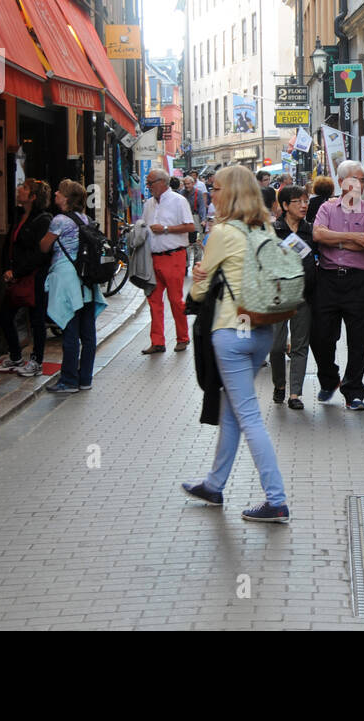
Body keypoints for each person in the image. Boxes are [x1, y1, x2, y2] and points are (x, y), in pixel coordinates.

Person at [183, 165, 290, 523]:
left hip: (230, 329)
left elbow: (199, 291)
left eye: (215, 188)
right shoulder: (266, 228)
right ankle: (214, 484)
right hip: (260, 329)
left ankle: (275, 499)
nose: (210, 194)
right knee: (232, 407)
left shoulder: (223, 232)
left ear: (228, 193)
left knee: (248, 417)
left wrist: (199, 275)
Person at [310, 160, 364, 410]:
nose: (359, 184)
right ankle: (329, 379)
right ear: (341, 183)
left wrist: (333, 240)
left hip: (358, 281)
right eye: (355, 179)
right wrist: (350, 238)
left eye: (362, 180)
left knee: (359, 339)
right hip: (327, 279)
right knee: (321, 336)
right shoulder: (327, 208)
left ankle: (354, 391)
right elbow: (318, 235)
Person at [40, 180, 106, 393]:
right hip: (85, 280)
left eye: (59, 192)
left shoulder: (59, 220)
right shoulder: (85, 219)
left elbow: (44, 246)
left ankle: (68, 380)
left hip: (68, 279)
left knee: (70, 330)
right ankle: (85, 378)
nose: (56, 194)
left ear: (66, 198)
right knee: (88, 334)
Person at [0, 179, 53, 377]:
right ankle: (16, 355)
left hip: (34, 277)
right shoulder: (19, 215)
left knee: (37, 320)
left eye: (25, 188)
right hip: (17, 277)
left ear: (33, 197)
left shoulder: (43, 220)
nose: (19, 189)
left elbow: (40, 253)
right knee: (4, 316)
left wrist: (17, 272)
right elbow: (9, 245)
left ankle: (36, 361)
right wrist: (7, 269)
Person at [140, 168, 196, 355]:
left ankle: (182, 338)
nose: (148, 187)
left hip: (174, 256)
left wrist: (165, 229)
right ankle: (157, 342)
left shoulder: (178, 201)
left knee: (175, 300)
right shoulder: (148, 204)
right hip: (153, 257)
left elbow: (190, 226)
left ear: (162, 182)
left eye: (151, 183)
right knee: (154, 300)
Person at [270, 184, 314, 410]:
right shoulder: (273, 230)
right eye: (298, 201)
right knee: (277, 346)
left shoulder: (310, 230)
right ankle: (279, 384)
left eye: (306, 201)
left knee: (299, 345)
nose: (304, 205)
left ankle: (295, 393)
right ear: (285, 205)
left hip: (304, 296)